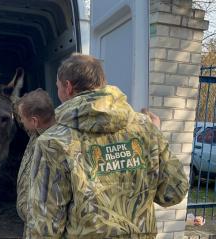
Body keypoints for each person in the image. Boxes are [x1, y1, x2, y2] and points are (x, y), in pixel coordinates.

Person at [26, 54, 189, 238]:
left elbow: (44, 227)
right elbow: (174, 192)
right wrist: (158, 137)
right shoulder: (146, 129)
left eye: (57, 87)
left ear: (68, 87)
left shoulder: (53, 142)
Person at [15, 89, 55, 236]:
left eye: (21, 118)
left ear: (34, 121)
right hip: (31, 223)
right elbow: (18, 106)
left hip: (43, 228)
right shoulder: (36, 133)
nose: (21, 122)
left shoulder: (53, 147)